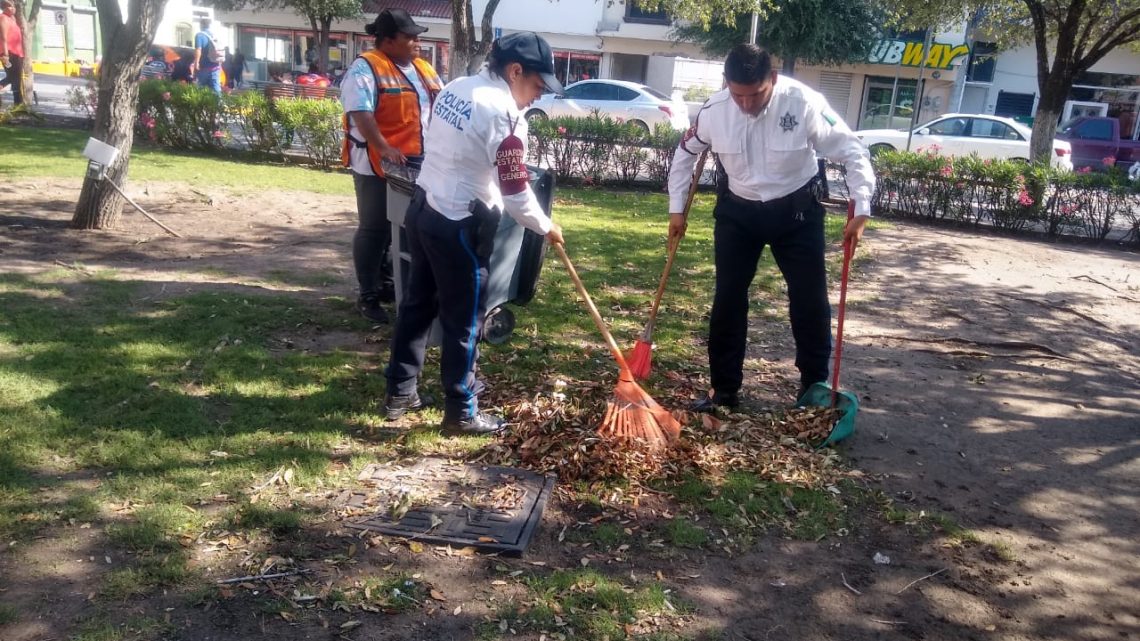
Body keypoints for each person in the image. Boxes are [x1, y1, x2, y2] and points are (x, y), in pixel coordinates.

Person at [667, 44, 875, 413]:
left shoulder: (804, 102)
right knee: (728, 297)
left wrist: (861, 206)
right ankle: (724, 388)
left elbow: (852, 150)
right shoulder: (714, 111)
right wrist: (675, 209)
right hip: (738, 213)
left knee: (809, 299)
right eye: (738, 95)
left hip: (796, 213)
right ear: (726, 84)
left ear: (773, 80)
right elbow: (685, 152)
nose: (746, 104)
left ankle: (813, 386)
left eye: (756, 94)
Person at [384, 32, 565, 434]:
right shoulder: (505, 116)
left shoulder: (457, 87)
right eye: (537, 85)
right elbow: (516, 193)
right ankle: (462, 411)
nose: (538, 96)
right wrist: (545, 225)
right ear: (515, 71)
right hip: (459, 228)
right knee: (465, 321)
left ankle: (400, 390)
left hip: (423, 208)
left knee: (417, 305)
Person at [340, 8, 442, 324]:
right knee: (375, 227)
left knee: (407, 227)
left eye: (417, 37)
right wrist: (383, 147)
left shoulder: (423, 68)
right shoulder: (365, 69)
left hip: (417, 164)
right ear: (387, 41)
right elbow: (361, 112)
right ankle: (368, 293)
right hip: (377, 164)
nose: (417, 43)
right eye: (409, 37)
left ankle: (390, 281)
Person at [0, 0, 25, 106]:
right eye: (10, 6)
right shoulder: (3, 18)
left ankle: (18, 105)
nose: (13, 8)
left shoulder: (12, 19)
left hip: (17, 53)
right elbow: (3, 38)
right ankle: (18, 104)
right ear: (4, 8)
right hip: (9, 53)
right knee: (14, 78)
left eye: (13, 6)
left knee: (15, 78)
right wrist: (5, 55)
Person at [192, 18, 224, 93]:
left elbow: (198, 49)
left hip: (204, 67)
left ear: (201, 25)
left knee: (201, 90)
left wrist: (196, 62)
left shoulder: (200, 35)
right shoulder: (214, 35)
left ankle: (202, 104)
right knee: (216, 90)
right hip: (215, 67)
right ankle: (219, 104)